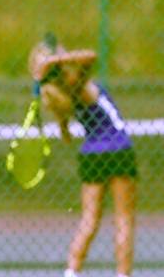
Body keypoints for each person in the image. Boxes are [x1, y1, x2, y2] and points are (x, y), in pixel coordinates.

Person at [29, 35, 138, 277]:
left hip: (92, 154)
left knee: (89, 220)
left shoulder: (58, 94)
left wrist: (47, 67)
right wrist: (55, 59)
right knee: (124, 220)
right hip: (119, 147)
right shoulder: (78, 78)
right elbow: (91, 55)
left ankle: (72, 272)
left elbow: (66, 133)